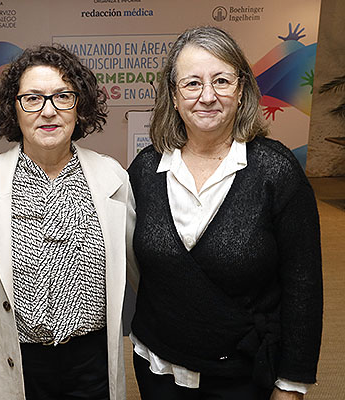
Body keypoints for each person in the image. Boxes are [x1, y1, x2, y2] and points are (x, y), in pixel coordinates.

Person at [127, 26, 323, 400]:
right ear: (173, 93)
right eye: (192, 84)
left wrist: (293, 383)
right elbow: (141, 268)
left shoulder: (276, 171)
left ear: (242, 89)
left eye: (221, 80)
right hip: (158, 367)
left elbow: (304, 284)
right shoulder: (145, 168)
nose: (208, 96)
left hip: (243, 375)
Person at [0, 44, 136, 400]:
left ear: (79, 105)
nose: (48, 111)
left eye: (62, 97)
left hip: (91, 365)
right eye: (33, 99)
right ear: (14, 109)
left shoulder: (112, 178)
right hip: (13, 363)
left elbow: (143, 271)